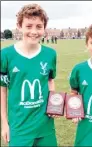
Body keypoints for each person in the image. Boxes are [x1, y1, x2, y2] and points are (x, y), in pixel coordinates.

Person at [1, 4, 58, 147]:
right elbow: (2, 90)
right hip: (19, 128)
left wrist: (54, 105)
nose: (34, 31)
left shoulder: (50, 54)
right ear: (19, 26)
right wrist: (4, 123)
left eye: (39, 26)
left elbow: (50, 81)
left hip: (45, 127)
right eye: (29, 26)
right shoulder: (6, 55)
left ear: (44, 27)